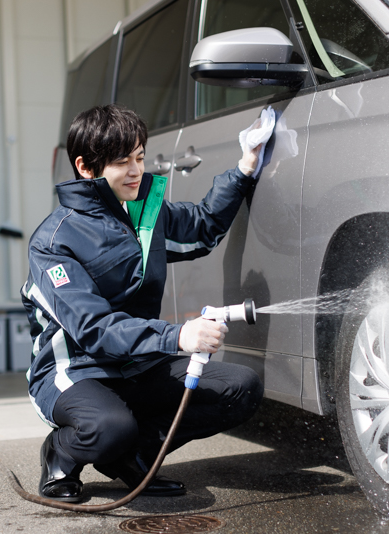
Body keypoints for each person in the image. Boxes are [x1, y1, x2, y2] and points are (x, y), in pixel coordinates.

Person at [21, 104, 268, 502]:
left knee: (240, 387)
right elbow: (94, 328)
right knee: (109, 426)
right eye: (123, 162)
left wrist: (244, 168)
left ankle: (131, 455)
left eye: (139, 156)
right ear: (86, 167)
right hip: (77, 369)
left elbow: (202, 226)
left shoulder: (141, 216)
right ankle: (63, 453)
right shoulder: (54, 242)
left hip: (137, 363)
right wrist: (179, 336)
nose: (137, 170)